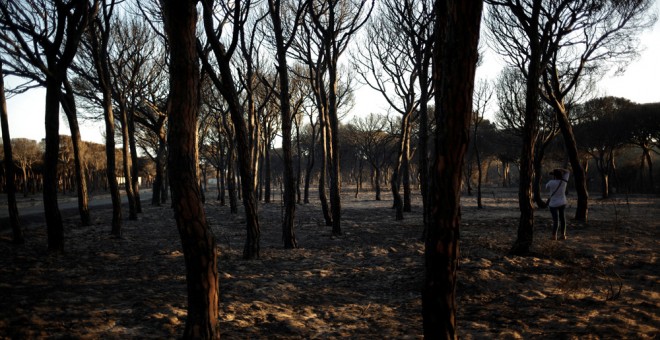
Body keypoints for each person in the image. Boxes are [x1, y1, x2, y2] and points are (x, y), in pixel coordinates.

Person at [546, 168, 570, 240]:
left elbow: (546, 187)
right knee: (562, 219)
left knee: (555, 220)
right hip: (562, 202)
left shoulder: (551, 182)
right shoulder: (564, 181)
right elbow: (567, 171)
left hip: (553, 204)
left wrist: (553, 173)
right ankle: (563, 235)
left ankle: (554, 236)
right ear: (561, 175)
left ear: (554, 176)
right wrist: (559, 169)